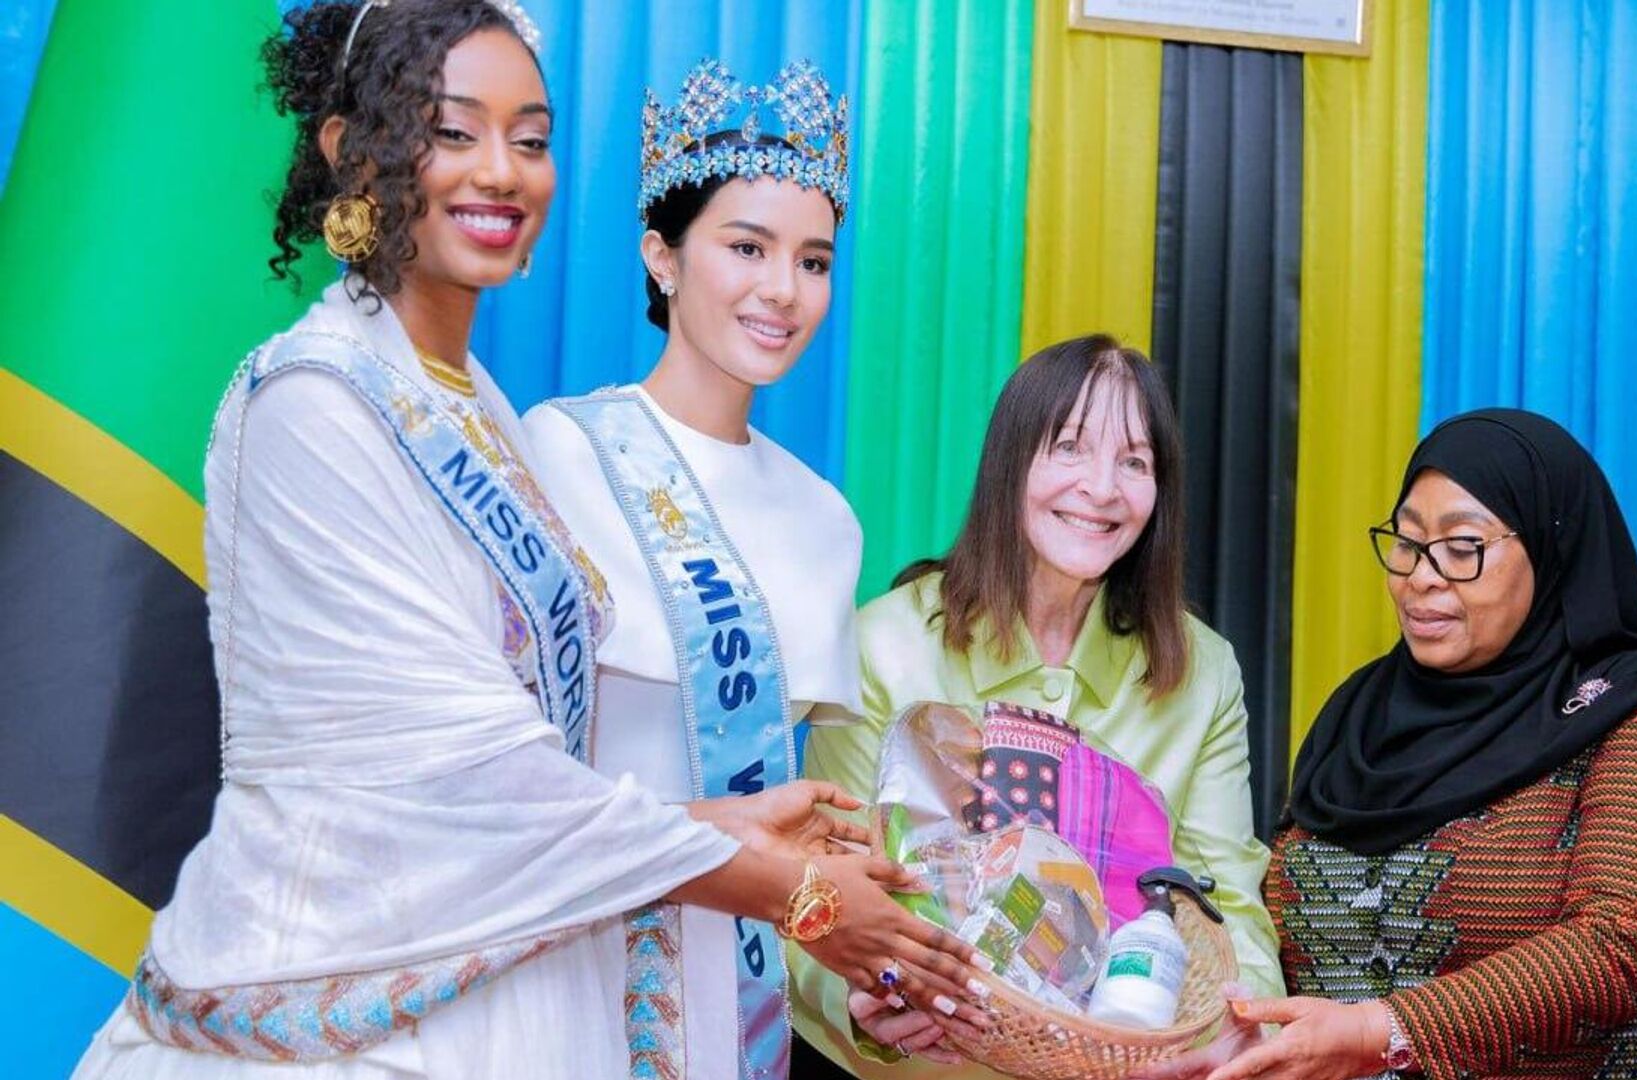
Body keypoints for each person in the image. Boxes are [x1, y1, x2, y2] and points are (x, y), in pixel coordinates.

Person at [73, 6, 975, 1077]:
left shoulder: (477, 410)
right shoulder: (315, 404)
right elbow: (463, 782)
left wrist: (735, 832)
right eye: (454, 131)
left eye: (532, 139)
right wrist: (794, 890)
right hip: (340, 998)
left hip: (525, 972)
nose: (500, 170)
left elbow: (518, 769)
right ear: (349, 152)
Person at [517, 56, 989, 1080]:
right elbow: (505, 794)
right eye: (746, 247)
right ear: (662, 256)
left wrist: (871, 964)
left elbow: (799, 817)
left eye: (813, 261)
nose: (784, 289)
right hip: (567, 969)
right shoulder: (559, 454)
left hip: (739, 994)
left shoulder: (825, 521)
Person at [1147, 408, 1637, 1080]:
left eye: (1462, 546)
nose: (1421, 576)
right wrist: (1248, 1036)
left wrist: (1379, 1030)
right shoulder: (1358, 716)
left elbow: (1624, 944)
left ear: (1551, 547)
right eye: (1407, 542)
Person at [788, 335, 1287, 1077]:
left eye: (1135, 462)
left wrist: (1250, 1038)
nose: (1102, 488)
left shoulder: (1202, 670)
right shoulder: (885, 645)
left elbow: (1229, 906)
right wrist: (858, 999)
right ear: (1010, 462)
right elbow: (817, 883)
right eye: (1070, 447)